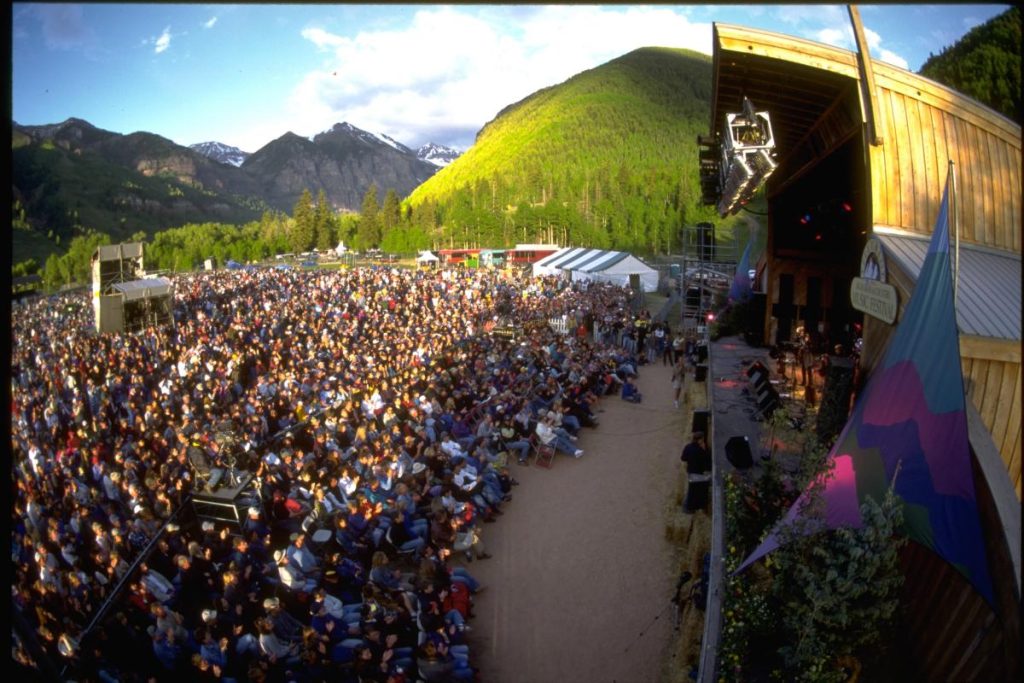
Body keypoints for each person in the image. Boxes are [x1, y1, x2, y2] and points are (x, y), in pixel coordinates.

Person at [680, 432, 710, 513]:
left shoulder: (688, 447)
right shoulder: (701, 450)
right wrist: (705, 450)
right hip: (699, 474)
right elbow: (707, 461)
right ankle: (689, 507)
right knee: (697, 491)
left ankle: (689, 507)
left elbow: (683, 458)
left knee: (691, 490)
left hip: (691, 472)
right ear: (699, 440)